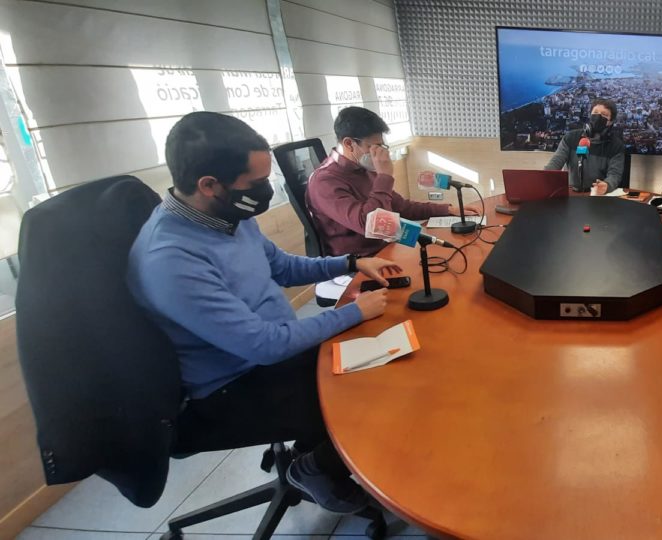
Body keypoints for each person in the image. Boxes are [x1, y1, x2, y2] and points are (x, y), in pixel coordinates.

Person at [128, 111, 399, 514]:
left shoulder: (224, 216)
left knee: (385, 355)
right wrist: (355, 312)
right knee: (366, 391)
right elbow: (264, 346)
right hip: (232, 387)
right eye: (256, 183)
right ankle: (314, 468)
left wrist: (351, 264)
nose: (265, 191)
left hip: (272, 354)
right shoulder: (171, 258)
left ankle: (314, 450)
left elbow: (283, 267)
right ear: (208, 185)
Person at [307, 106, 479, 257]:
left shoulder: (364, 169)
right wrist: (385, 176)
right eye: (373, 147)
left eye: (382, 146)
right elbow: (370, 224)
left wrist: (447, 210)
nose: (380, 153)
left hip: (386, 248)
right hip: (358, 264)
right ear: (349, 144)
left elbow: (401, 207)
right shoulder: (324, 181)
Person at [544, 98, 626, 195]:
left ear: (611, 122)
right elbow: (555, 163)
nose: (598, 117)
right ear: (590, 115)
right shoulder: (571, 138)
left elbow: (614, 175)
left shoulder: (616, 146)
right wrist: (544, 178)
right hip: (571, 194)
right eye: (595, 112)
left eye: (604, 115)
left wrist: (607, 185)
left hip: (598, 197)